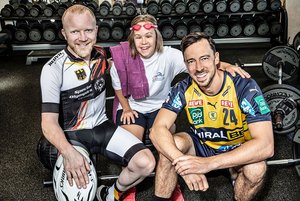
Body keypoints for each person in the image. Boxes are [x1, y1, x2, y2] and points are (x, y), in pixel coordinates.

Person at [109, 14, 250, 200]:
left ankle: (171, 180)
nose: (144, 42)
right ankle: (129, 186)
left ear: (156, 36)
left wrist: (227, 66)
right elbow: (117, 88)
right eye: (139, 37)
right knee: (132, 149)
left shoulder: (169, 55)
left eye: (148, 36)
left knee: (167, 140)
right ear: (132, 39)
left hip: (161, 107)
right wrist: (126, 108)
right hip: (133, 106)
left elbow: (199, 62)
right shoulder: (121, 59)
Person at [38, 5, 155, 201]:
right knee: (80, 195)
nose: (83, 37)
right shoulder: (53, 69)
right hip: (73, 135)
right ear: (64, 33)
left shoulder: (101, 54)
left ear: (96, 31)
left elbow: (137, 48)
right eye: (75, 31)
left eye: (88, 30)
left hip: (102, 127)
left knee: (146, 163)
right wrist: (68, 153)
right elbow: (48, 123)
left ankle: (109, 194)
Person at [149, 32, 274, 201]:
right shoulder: (183, 88)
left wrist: (209, 164)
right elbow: (157, 130)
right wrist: (182, 163)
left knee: (256, 168)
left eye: (204, 58)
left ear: (216, 59)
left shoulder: (243, 87)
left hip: (238, 148)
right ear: (185, 64)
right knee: (170, 145)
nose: (198, 67)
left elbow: (266, 145)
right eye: (191, 61)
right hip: (203, 146)